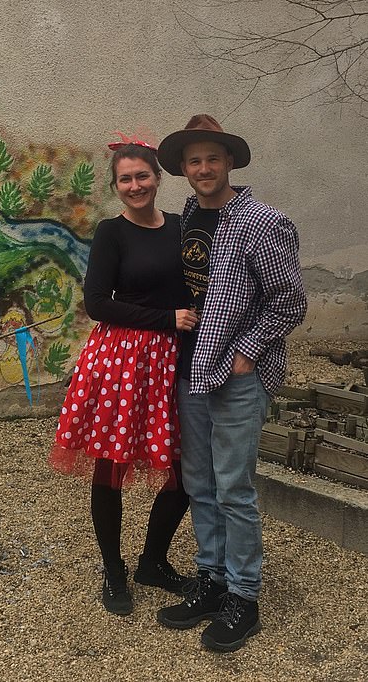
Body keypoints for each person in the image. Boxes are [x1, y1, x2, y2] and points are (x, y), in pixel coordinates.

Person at [155, 114, 307, 652]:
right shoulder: (191, 216)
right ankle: (212, 580)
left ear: (230, 163)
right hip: (193, 369)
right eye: (194, 161)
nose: (203, 168)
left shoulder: (263, 221)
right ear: (184, 169)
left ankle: (245, 596)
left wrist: (246, 352)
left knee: (234, 488)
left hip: (237, 375)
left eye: (212, 158)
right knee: (199, 483)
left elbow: (289, 300)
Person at [50, 136, 198, 616]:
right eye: (125, 179)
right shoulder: (112, 233)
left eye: (143, 176)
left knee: (183, 470)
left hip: (177, 360)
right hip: (124, 361)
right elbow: (96, 303)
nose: (136, 185)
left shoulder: (182, 226)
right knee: (111, 467)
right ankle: (113, 569)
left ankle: (153, 561)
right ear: (116, 186)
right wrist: (165, 320)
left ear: (158, 177)